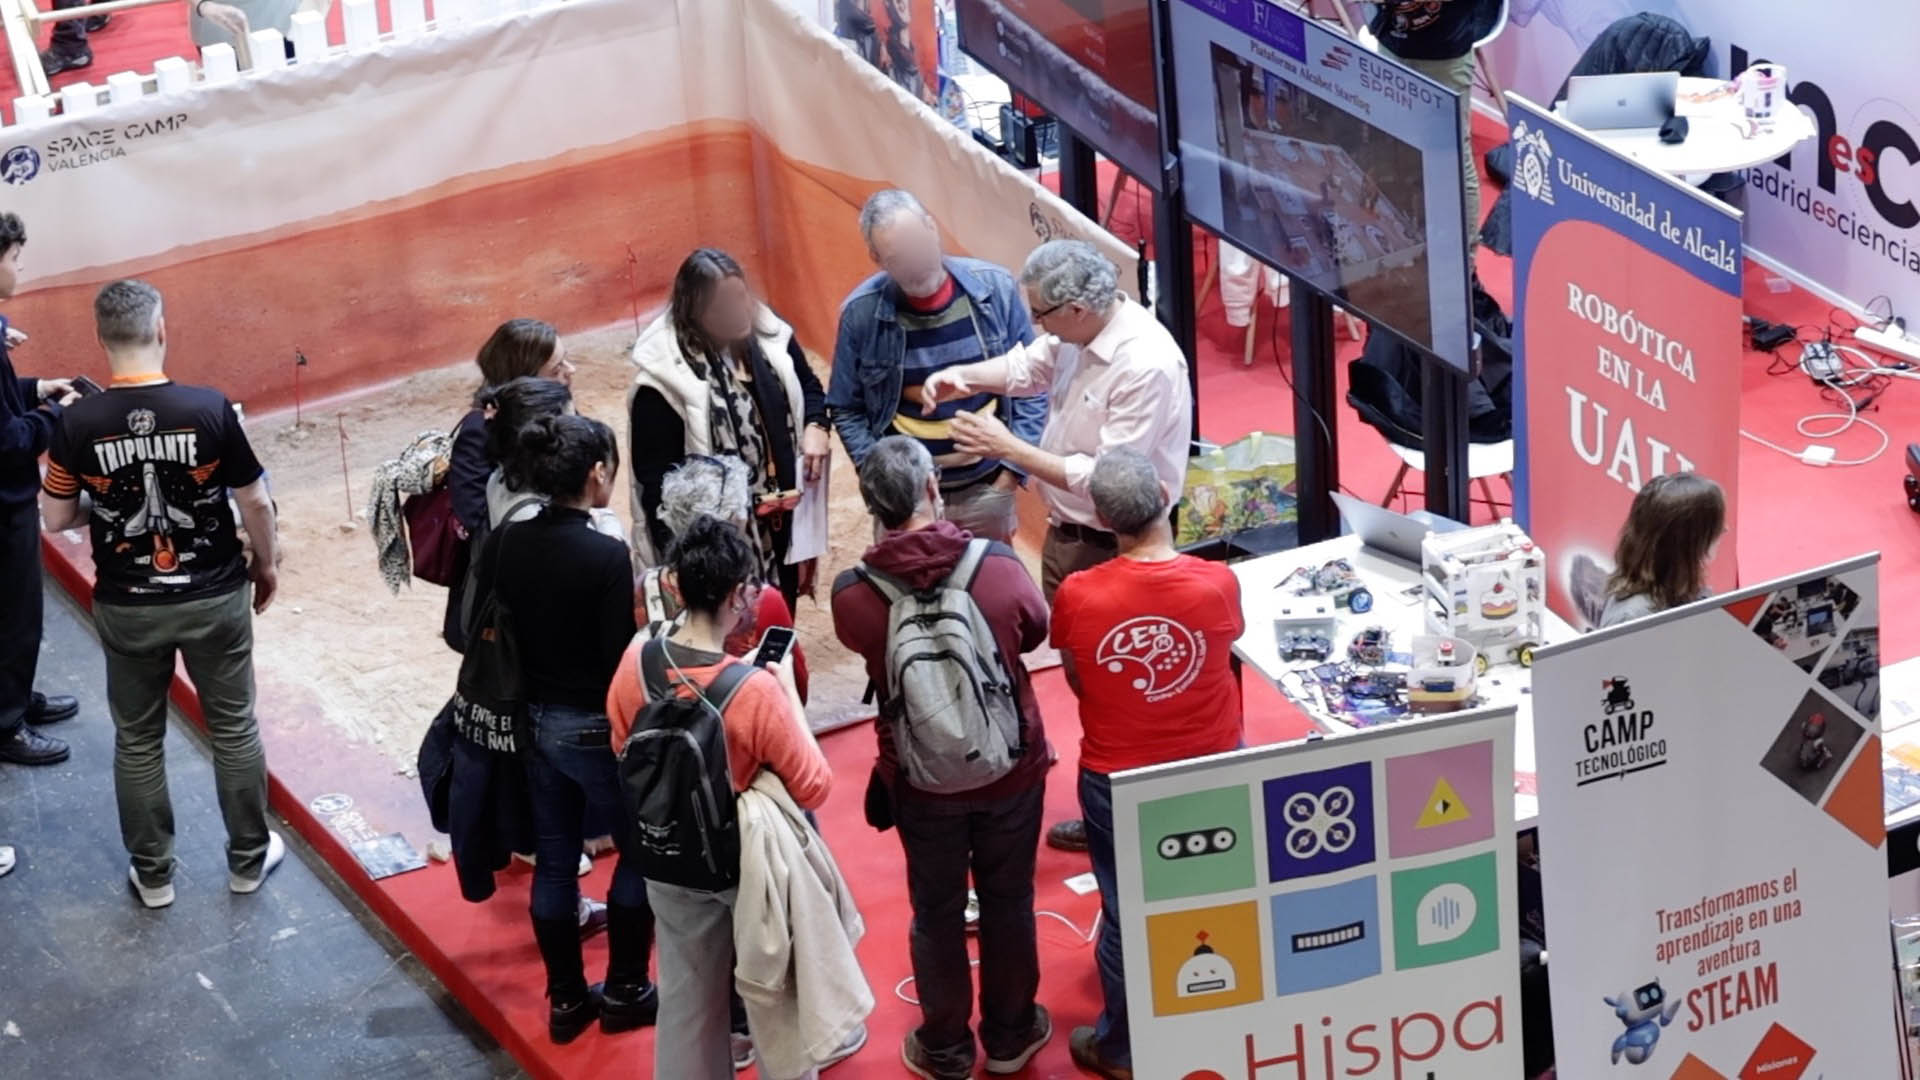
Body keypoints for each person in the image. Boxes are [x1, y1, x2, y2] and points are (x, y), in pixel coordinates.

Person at [922, 238, 1193, 854]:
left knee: (1125, 692)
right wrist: (963, 377)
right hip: (1072, 539)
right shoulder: (1077, 333)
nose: (1036, 324)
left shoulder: (1146, 364)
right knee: (1088, 683)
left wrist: (1008, 448)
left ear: (1076, 308)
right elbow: (1027, 368)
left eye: (1041, 313)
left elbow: (1110, 479)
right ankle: (1115, 810)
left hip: (1118, 548)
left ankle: (1135, 822)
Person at [39, 279, 283, 909]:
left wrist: (109, 508)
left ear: (101, 339)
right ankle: (247, 864)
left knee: (139, 739)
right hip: (214, 596)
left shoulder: (76, 422)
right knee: (233, 729)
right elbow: (254, 500)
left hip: (128, 603)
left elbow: (57, 517)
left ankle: (153, 877)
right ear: (162, 330)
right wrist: (267, 565)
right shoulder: (210, 408)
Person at [830, 436, 1052, 1079]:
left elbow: (866, 651)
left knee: (936, 911)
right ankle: (1010, 1037)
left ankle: (946, 1048)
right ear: (933, 489)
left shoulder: (853, 594)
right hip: (1011, 768)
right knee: (1009, 900)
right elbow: (1033, 631)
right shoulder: (999, 566)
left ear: (872, 507)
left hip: (919, 779)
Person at [606, 516, 836, 1080]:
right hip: (746, 863)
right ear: (737, 595)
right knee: (776, 1002)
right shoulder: (754, 690)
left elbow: (622, 746)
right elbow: (814, 786)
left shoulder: (636, 660)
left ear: (677, 585)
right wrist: (784, 691)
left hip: (666, 852)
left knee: (685, 1002)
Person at [1048, 449, 1246, 1080]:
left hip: (1118, 775)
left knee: (1125, 912)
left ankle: (1125, 1051)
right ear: (1165, 495)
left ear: (1104, 520)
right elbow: (1224, 648)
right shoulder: (1217, 583)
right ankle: (1228, 1019)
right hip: (1213, 768)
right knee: (1224, 894)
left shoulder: (1078, 595)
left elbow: (1078, 678)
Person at [476, 412, 655, 1044]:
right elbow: (616, 656)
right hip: (592, 725)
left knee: (554, 859)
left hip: (529, 722)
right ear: (596, 474)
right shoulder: (605, 554)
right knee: (639, 849)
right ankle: (628, 989)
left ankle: (568, 1001)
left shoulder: (505, 542)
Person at [828, 190, 1045, 544]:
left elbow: (1033, 384)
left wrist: (1009, 474)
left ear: (931, 228)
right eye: (898, 257)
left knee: (987, 577)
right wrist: (885, 482)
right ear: (877, 259)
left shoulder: (995, 289)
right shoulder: (861, 314)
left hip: (987, 490)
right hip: (906, 504)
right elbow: (846, 407)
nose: (914, 262)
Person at [629, 249, 830, 607]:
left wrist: (816, 425)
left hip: (784, 521)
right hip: (720, 548)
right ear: (694, 311)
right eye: (722, 305)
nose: (738, 312)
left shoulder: (771, 337)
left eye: (740, 297)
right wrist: (689, 565)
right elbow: (657, 487)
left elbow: (810, 386)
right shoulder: (662, 383)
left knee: (779, 615)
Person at [443, 319, 575, 651]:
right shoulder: (479, 430)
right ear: (525, 378)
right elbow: (476, 516)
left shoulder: (562, 412)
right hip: (506, 594)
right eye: (556, 368)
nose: (570, 371)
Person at [0, 212, 76, 769]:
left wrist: (35, 389)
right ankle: (6, 726)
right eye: (14, 258)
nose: (20, 269)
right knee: (14, 614)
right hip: (3, 504)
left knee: (19, 613)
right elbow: (9, 440)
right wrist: (55, 412)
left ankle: (17, 699)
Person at [643, 455, 810, 700]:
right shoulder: (761, 600)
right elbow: (797, 688)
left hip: (657, 717)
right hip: (741, 717)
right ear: (734, 521)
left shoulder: (642, 587)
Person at [1370, 0, 1488, 244]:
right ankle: (1403, 241)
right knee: (1393, 147)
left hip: (1443, 55)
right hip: (1391, 43)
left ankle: (1464, 259)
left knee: (1452, 160)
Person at [1598, 472, 1726, 628]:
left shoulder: (1685, 589)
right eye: (1713, 528)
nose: (1725, 529)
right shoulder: (1631, 620)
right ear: (1686, 542)